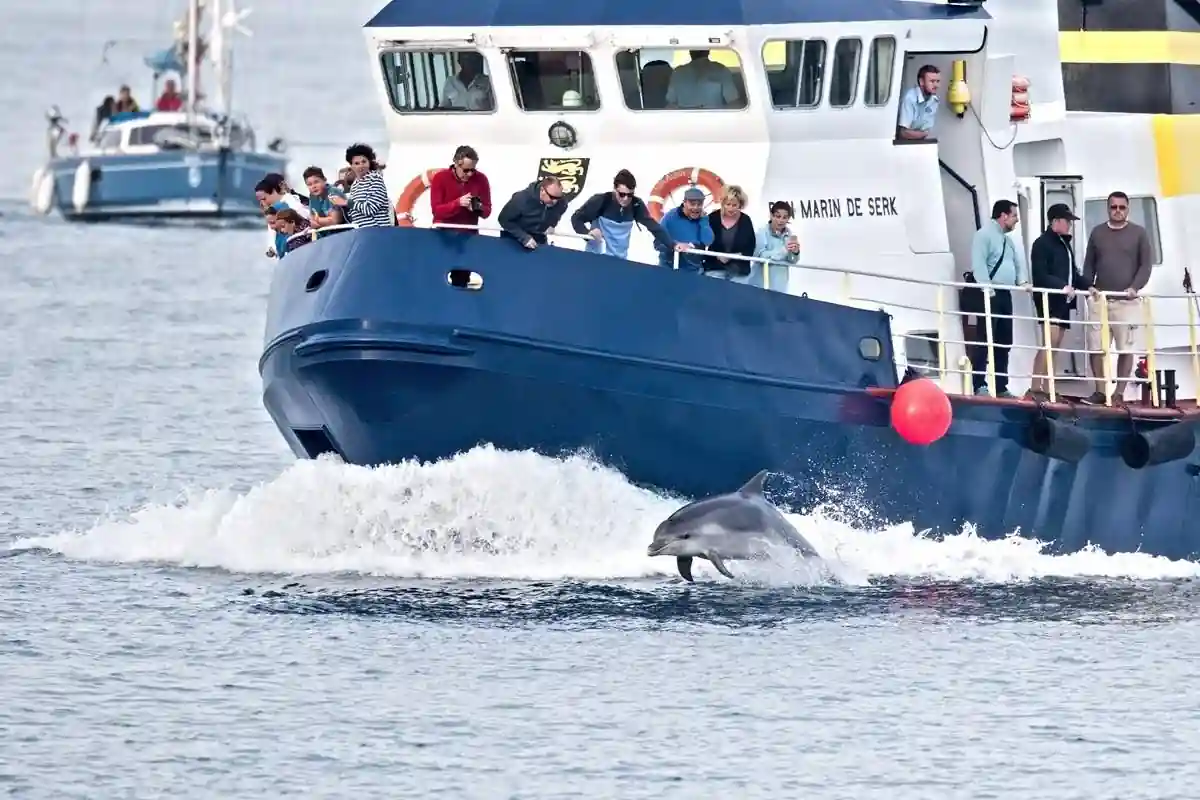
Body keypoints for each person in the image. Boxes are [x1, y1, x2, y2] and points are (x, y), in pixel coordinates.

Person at [1079, 191, 1153, 405]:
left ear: (1128, 209)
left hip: (1126, 302)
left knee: (1125, 349)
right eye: (1114, 207)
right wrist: (1089, 286)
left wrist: (1135, 287)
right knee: (1096, 348)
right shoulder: (1097, 232)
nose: (1118, 211)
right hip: (1100, 300)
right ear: (1108, 208)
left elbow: (1145, 265)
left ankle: (1119, 393)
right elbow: (1089, 264)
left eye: (1122, 207)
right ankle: (1101, 391)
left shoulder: (1139, 233)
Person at [964, 199, 1029, 398]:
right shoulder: (983, 235)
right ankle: (979, 384)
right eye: (1014, 215)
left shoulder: (1008, 241)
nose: (1017, 220)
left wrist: (1023, 282)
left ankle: (1001, 386)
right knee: (985, 340)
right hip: (989, 293)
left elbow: (1016, 265)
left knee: (1003, 341)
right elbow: (979, 264)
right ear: (1003, 215)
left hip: (1004, 294)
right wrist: (988, 289)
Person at [1027, 203, 1089, 400]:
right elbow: (1040, 275)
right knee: (1049, 343)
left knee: (1054, 346)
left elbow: (1073, 273)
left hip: (1063, 301)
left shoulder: (1064, 244)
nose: (1069, 225)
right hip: (1050, 300)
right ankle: (1035, 387)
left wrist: (1089, 287)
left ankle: (1048, 388)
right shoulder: (1042, 244)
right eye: (1067, 221)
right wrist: (1062, 286)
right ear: (1056, 221)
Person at [570, 169, 679, 260]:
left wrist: (673, 245)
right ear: (614, 189)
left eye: (630, 195)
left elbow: (654, 227)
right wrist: (588, 233)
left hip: (620, 260)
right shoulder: (601, 200)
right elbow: (576, 218)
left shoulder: (636, 204)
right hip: (596, 257)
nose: (626, 199)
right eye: (622, 194)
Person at [429, 145, 491, 232]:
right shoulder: (440, 178)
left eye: (473, 170)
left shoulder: (481, 179)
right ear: (456, 164)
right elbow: (436, 212)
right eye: (466, 170)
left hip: (469, 234)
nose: (470, 174)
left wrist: (476, 208)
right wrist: (458, 203)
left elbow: (487, 211)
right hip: (442, 232)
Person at [497, 177, 568, 249]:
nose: (555, 201)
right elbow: (503, 219)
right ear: (542, 190)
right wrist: (524, 237)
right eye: (551, 197)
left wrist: (552, 224)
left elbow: (558, 214)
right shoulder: (521, 199)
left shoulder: (562, 203)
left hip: (539, 238)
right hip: (513, 237)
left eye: (558, 197)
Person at [703, 185, 757, 281]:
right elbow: (705, 241)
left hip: (738, 271)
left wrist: (735, 256)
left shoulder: (746, 220)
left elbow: (751, 246)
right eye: (728, 204)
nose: (731, 208)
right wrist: (717, 255)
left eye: (734, 205)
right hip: (714, 268)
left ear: (740, 205)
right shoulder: (713, 218)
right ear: (722, 203)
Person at [331, 143, 391, 227]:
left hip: (377, 230)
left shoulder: (375, 179)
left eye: (364, 162)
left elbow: (371, 209)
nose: (361, 166)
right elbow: (354, 212)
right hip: (361, 231)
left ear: (369, 162)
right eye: (356, 163)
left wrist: (346, 202)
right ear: (351, 166)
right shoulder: (355, 185)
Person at [656, 187, 711, 271]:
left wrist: (704, 222)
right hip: (668, 268)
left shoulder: (703, 219)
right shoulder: (670, 217)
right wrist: (676, 245)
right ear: (684, 203)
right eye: (692, 204)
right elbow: (657, 243)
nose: (696, 207)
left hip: (693, 270)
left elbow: (708, 241)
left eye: (699, 204)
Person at [752, 201, 800, 292]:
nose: (781, 220)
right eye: (778, 216)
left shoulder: (789, 235)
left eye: (784, 217)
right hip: (760, 285)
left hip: (780, 286)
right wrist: (783, 251)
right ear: (771, 215)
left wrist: (795, 252)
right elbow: (760, 256)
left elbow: (793, 260)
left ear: (788, 218)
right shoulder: (762, 232)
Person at [897, 65, 940, 141]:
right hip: (903, 144)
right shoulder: (910, 98)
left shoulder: (934, 101)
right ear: (921, 82)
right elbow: (904, 133)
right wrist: (925, 134)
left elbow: (926, 129)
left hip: (921, 143)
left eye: (938, 81)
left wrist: (925, 134)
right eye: (932, 81)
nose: (936, 85)